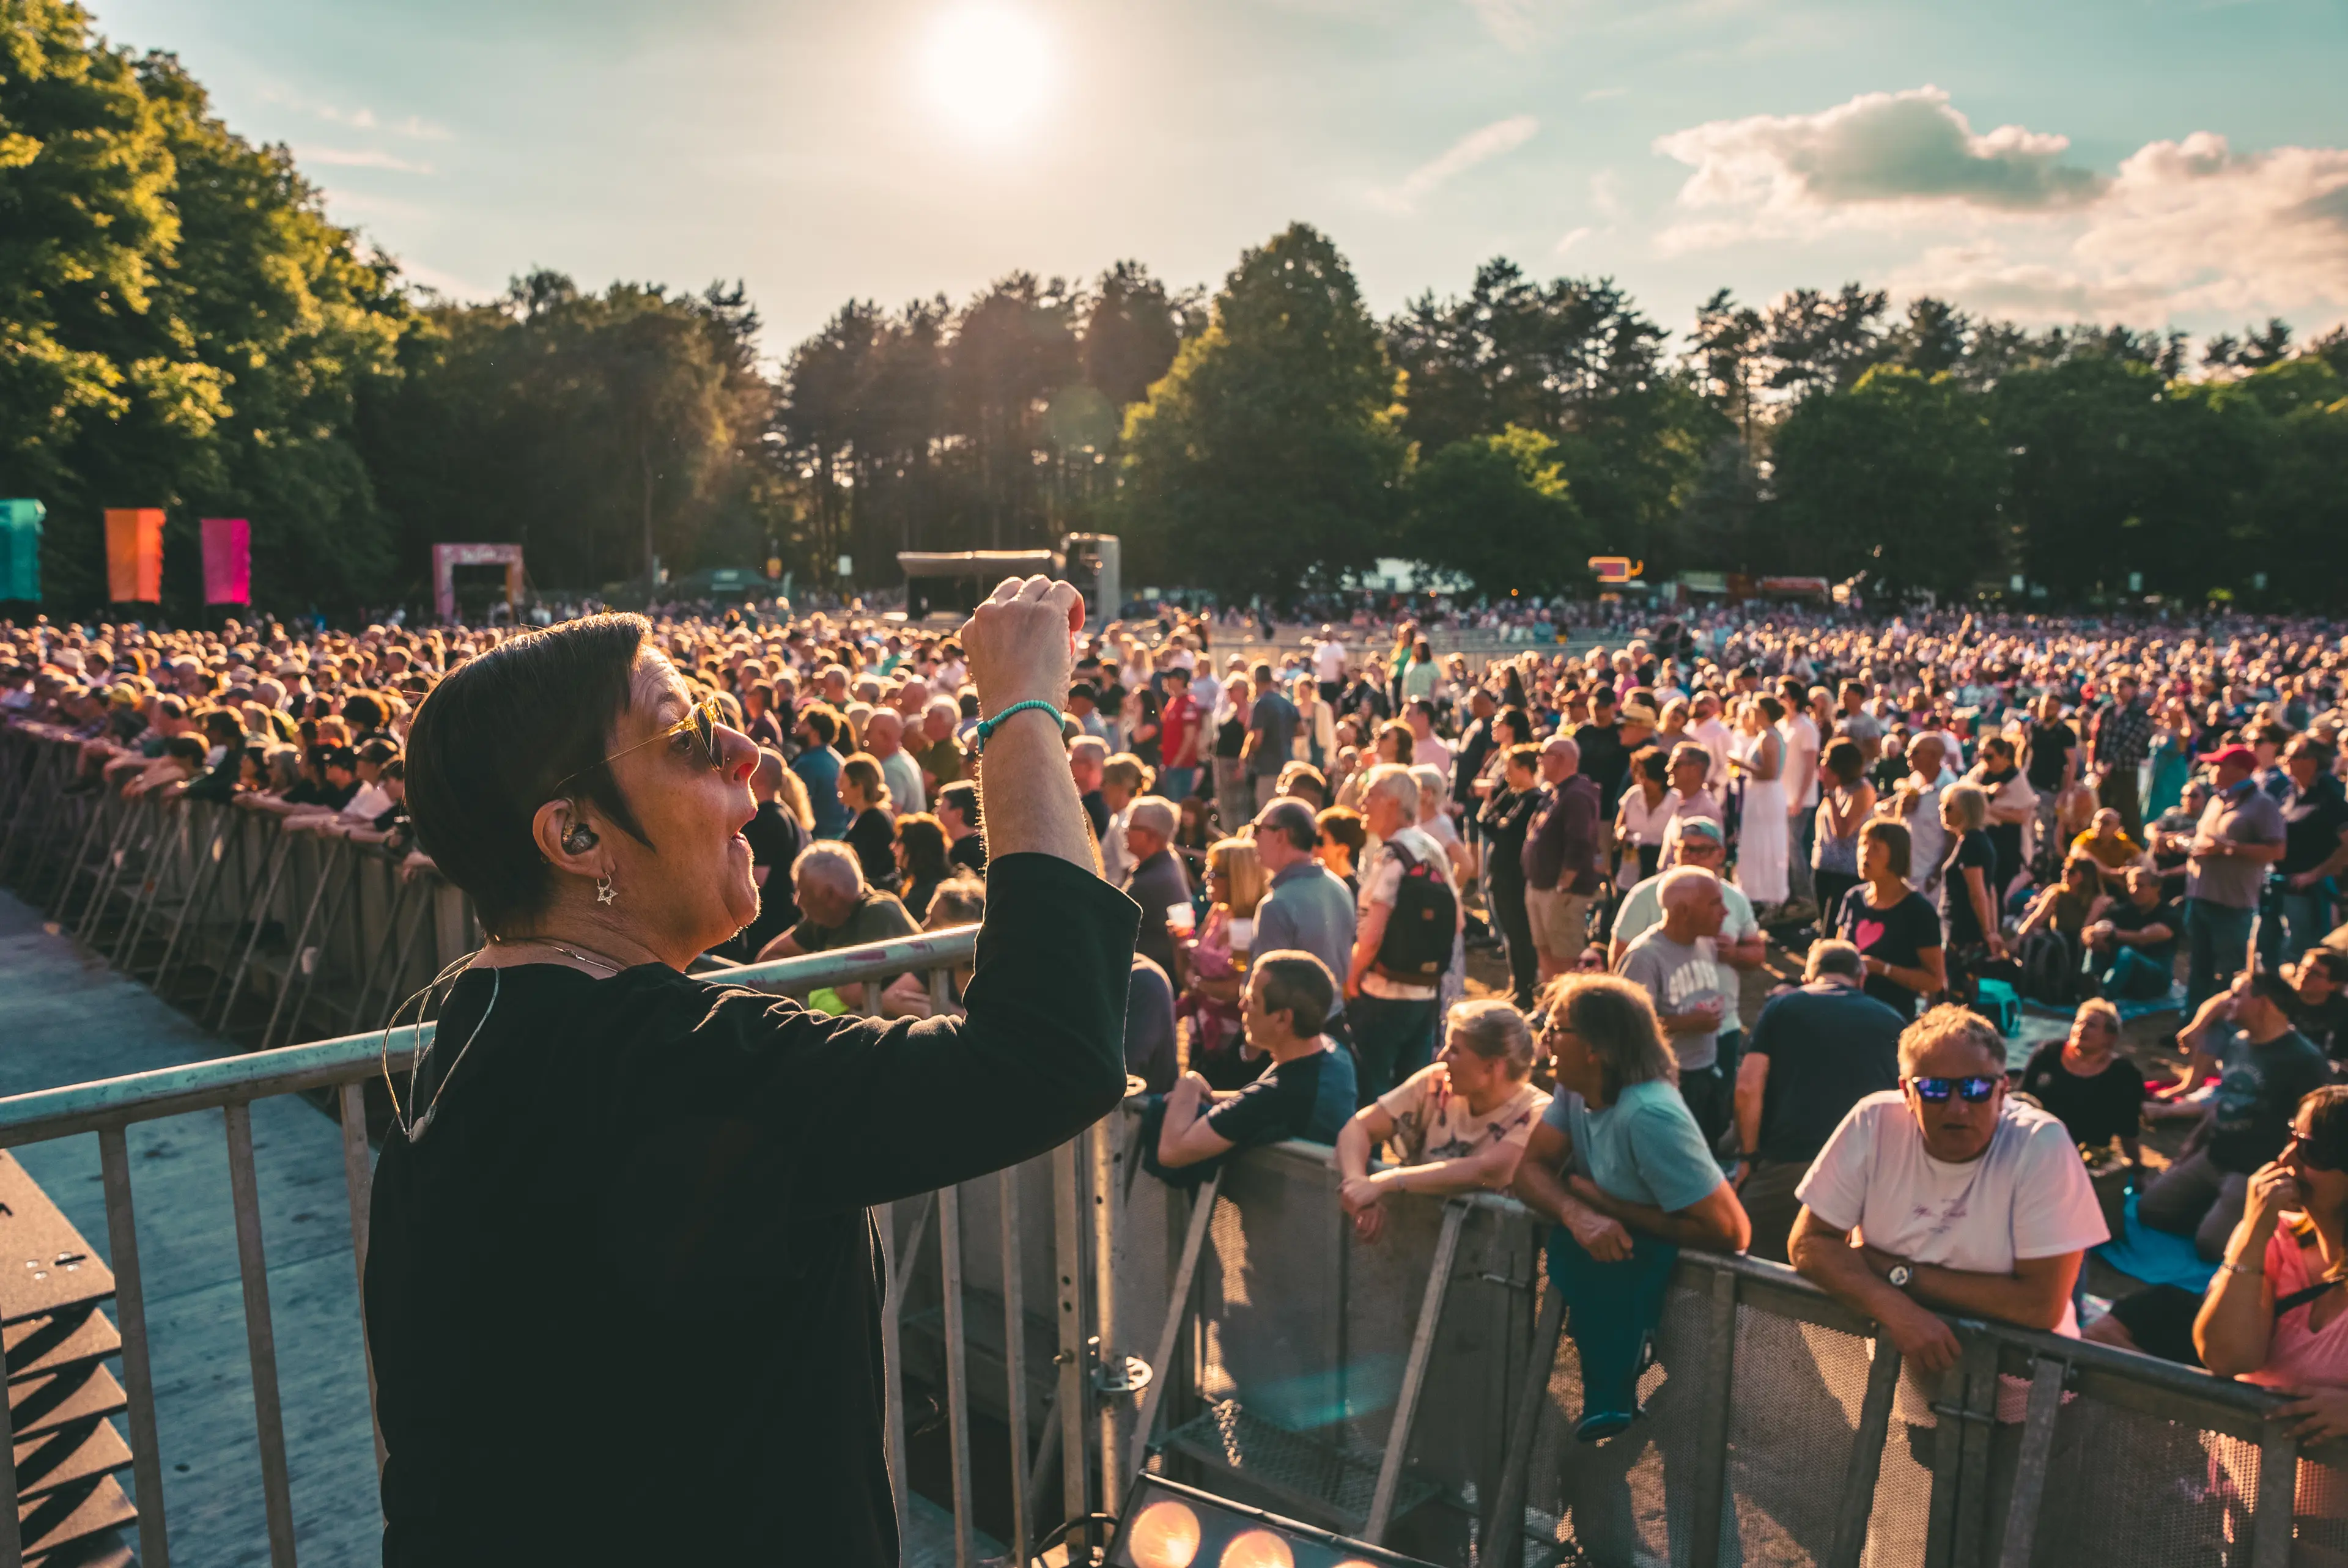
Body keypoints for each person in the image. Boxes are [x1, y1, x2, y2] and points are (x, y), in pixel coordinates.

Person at [373, 580, 1134, 1566]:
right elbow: (1048, 1054)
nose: (750, 755)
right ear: (575, 835)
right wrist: (1024, 710)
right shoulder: (681, 1067)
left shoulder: (468, 1055)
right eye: (688, 737)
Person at [1512, 974, 1749, 1440]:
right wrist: (1577, 1214)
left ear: (1597, 1047)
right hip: (1627, 1298)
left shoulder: (1650, 1114)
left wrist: (1608, 1205)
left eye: (1557, 1028)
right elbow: (1529, 1170)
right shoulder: (1574, 1088)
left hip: (1688, 1317)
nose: (1545, 1038)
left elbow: (1731, 1231)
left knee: (1684, 1458)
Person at [1732, 940, 1904, 1262]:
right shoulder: (1893, 1019)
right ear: (1861, 978)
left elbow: (1747, 1086)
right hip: (1868, 1173)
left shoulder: (1784, 1007)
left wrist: (1748, 1158)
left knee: (1752, 1267)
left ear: (1810, 977)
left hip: (1788, 1164)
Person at [2140, 969, 2331, 1259]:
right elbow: (2223, 1103)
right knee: (2150, 1210)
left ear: (2263, 1002)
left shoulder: (2304, 1061)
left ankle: (2227, 1216)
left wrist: (2290, 1184)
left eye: (2236, 994)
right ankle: (2216, 1209)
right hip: (2215, 1156)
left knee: (2212, 1246)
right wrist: (2190, 1149)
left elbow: (2315, 1132)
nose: (2228, 1002)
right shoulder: (2238, 1043)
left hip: (2252, 1170)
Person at [2196, 1085, 2348, 1442]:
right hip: (2245, 1485)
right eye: (2292, 1138)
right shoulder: (2275, 1238)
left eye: (2313, 1150)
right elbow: (2226, 1359)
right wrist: (2252, 1235)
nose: (2286, 1160)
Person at [1335, 998, 1551, 1242]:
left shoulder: (1536, 1111)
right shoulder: (1436, 1082)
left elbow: (1489, 1170)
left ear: (1492, 1067)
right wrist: (1356, 1184)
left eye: (1455, 1051)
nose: (1442, 1056)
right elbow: (1359, 1127)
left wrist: (1384, 1182)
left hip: (1489, 1259)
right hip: (1417, 1244)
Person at [1154, 952, 1359, 1172]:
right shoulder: (1334, 1053)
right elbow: (1256, 1102)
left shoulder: (1279, 1097)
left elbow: (1171, 1151)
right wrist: (1212, 1097)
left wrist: (1190, 1082)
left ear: (1283, 1019)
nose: (1241, 1006)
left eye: (1252, 1000)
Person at [1345, 765, 1461, 1102]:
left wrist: (1352, 979)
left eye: (1371, 795)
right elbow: (1457, 922)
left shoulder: (1393, 856)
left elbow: (1372, 935)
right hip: (1424, 994)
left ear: (1393, 803)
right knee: (1414, 1095)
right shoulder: (1431, 849)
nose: (1363, 802)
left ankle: (1371, 1155)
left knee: (1372, 1093)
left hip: (1382, 994)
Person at [2184, 744, 2288, 1012]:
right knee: (2199, 968)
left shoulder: (2262, 805)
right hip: (2200, 896)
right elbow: (2204, 841)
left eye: (2219, 765)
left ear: (2239, 770)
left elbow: (2277, 850)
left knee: (2229, 972)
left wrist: (2230, 848)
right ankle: (2192, 1022)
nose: (2212, 770)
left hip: (2232, 904)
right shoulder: (2217, 799)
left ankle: (2228, 1028)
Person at [1176, 835, 1267, 1089]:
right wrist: (1178, 944)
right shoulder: (1218, 913)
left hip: (1232, 1036)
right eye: (1208, 870)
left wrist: (1197, 984)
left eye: (1215, 872)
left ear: (1238, 877)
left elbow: (1236, 988)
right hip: (1201, 1030)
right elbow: (1188, 972)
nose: (1207, 878)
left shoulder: (1250, 925)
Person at [1834, 819, 1946, 1019]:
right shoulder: (1853, 898)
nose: (1865, 853)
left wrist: (1883, 969)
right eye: (1863, 845)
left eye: (1875, 848)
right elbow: (1839, 951)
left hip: (1891, 1017)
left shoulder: (1919, 911)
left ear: (1896, 856)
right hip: (1847, 1011)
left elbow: (1935, 981)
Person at [2016, 999, 2144, 1164]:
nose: (2081, 1029)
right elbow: (2022, 1097)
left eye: (2091, 1025)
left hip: (2087, 1157)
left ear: (2110, 1038)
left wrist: (2137, 1167)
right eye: (2078, 1022)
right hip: (2037, 1144)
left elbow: (2128, 1128)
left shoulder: (2123, 1074)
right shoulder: (2049, 1054)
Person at [1247, 797, 1357, 987]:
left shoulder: (1277, 906)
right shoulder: (1340, 887)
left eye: (1257, 828)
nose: (1252, 837)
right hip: (1336, 1012)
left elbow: (1267, 990)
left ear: (1281, 836)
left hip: (1294, 1016)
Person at [1523, 735, 1603, 983]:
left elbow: (1580, 842)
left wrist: (1564, 885)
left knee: (1565, 957)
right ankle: (1549, 1005)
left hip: (1562, 893)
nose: (1539, 762)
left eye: (1542, 756)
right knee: (1544, 949)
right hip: (1541, 885)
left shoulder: (1577, 794)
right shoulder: (1556, 791)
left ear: (1559, 759)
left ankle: (1567, 1009)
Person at [1480, 744, 1546, 1009]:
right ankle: (1516, 985)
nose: (1506, 775)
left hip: (1515, 879)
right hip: (1499, 875)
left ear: (1524, 769)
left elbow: (1505, 832)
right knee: (1510, 934)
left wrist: (1498, 822)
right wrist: (1498, 819)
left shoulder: (1533, 800)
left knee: (1521, 935)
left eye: (1510, 769)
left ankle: (1526, 990)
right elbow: (1486, 822)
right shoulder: (1512, 796)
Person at [1938, 782, 2006, 999]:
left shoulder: (1971, 844)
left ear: (1965, 811)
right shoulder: (1981, 841)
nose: (1942, 811)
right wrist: (1992, 930)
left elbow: (1979, 892)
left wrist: (1989, 933)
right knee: (1963, 987)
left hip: (1964, 930)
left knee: (1959, 992)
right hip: (1969, 929)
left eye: (1948, 807)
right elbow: (1990, 890)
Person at [1120, 795, 1192, 981]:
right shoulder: (1169, 859)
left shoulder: (1149, 883)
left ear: (1151, 836)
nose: (1124, 831)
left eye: (1131, 827)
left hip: (1147, 978)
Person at [1811, 737, 1877, 933]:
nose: (1822, 764)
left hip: (1846, 872)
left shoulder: (1862, 790)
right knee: (1824, 923)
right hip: (1823, 866)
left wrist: (1830, 794)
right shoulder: (1836, 789)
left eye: (1826, 760)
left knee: (1837, 930)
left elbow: (1842, 831)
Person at [2086, 864, 2180, 1000]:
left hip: (2155, 980)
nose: (2134, 891)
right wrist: (2093, 935)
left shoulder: (2169, 914)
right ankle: (2088, 982)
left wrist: (2113, 934)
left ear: (2156, 888)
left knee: (2127, 953)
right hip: (2127, 978)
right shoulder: (2124, 910)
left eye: (2140, 886)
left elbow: (2144, 937)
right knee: (2097, 941)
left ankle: (2103, 995)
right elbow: (2100, 927)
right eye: (2131, 886)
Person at [1728, 696, 1789, 907]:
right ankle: (1759, 890)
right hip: (1761, 794)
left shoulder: (1769, 737)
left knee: (1764, 841)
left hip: (1765, 794)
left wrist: (1741, 764)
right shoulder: (1768, 735)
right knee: (1759, 840)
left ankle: (1765, 892)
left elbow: (1769, 773)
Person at [837, 753, 899, 893]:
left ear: (859, 787)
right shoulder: (877, 815)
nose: (838, 787)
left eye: (842, 782)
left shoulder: (873, 822)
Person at [1242, 662, 1299, 812]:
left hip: (1267, 768)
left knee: (1267, 811)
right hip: (1286, 764)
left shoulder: (1262, 704)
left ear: (1256, 681)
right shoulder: (1285, 701)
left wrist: (1245, 755)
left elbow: (1257, 738)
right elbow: (1302, 730)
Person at [791, 704, 851, 839]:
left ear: (815, 733)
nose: (797, 727)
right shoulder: (837, 758)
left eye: (803, 724)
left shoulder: (807, 764)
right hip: (839, 834)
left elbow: (796, 806)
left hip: (818, 837)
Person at [892, 812, 953, 927]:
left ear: (915, 849)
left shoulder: (921, 898)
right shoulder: (944, 885)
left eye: (899, 841)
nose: (893, 847)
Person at [936, 778, 986, 875]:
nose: (937, 813)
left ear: (959, 813)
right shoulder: (987, 845)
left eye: (940, 806)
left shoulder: (959, 854)